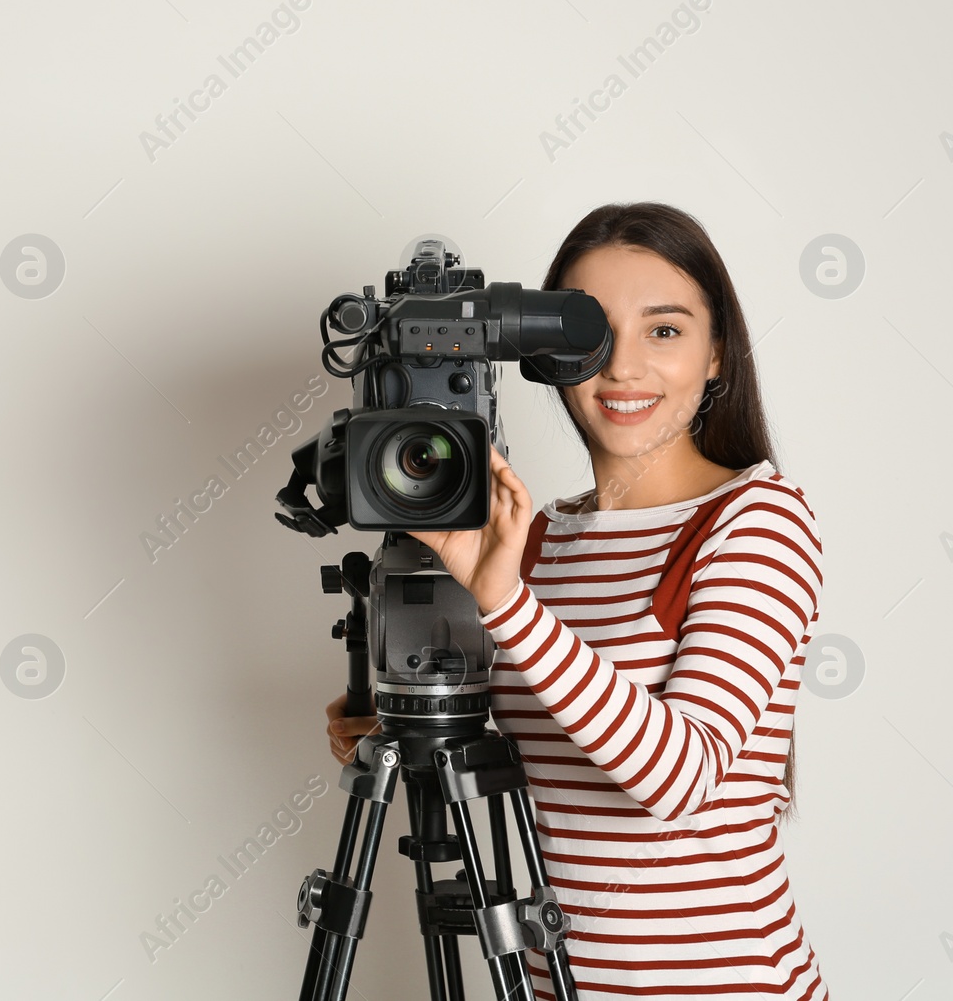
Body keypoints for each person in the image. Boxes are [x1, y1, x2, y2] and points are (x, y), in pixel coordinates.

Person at [324, 202, 830, 999]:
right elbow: (539, 741)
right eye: (594, 336)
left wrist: (505, 600)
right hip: (556, 979)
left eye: (664, 330)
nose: (624, 369)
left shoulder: (754, 519)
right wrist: (393, 718)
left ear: (716, 352)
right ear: (549, 354)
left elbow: (681, 776)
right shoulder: (538, 534)